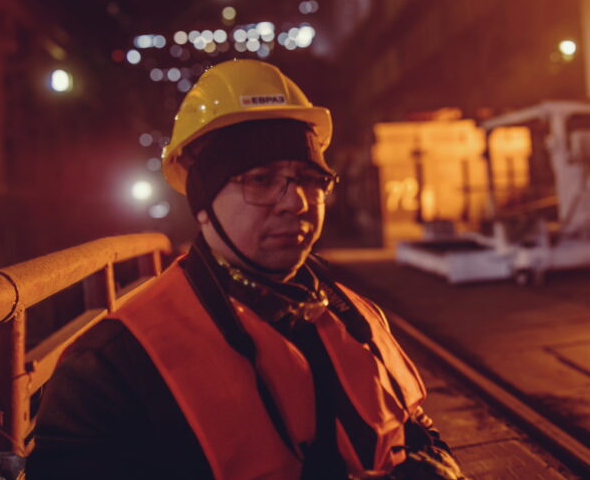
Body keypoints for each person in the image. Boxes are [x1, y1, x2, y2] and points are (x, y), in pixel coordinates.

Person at [28, 60, 465, 480]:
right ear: (203, 203)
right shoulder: (112, 371)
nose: (296, 202)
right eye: (261, 179)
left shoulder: (356, 316)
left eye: (310, 179)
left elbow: (412, 427)